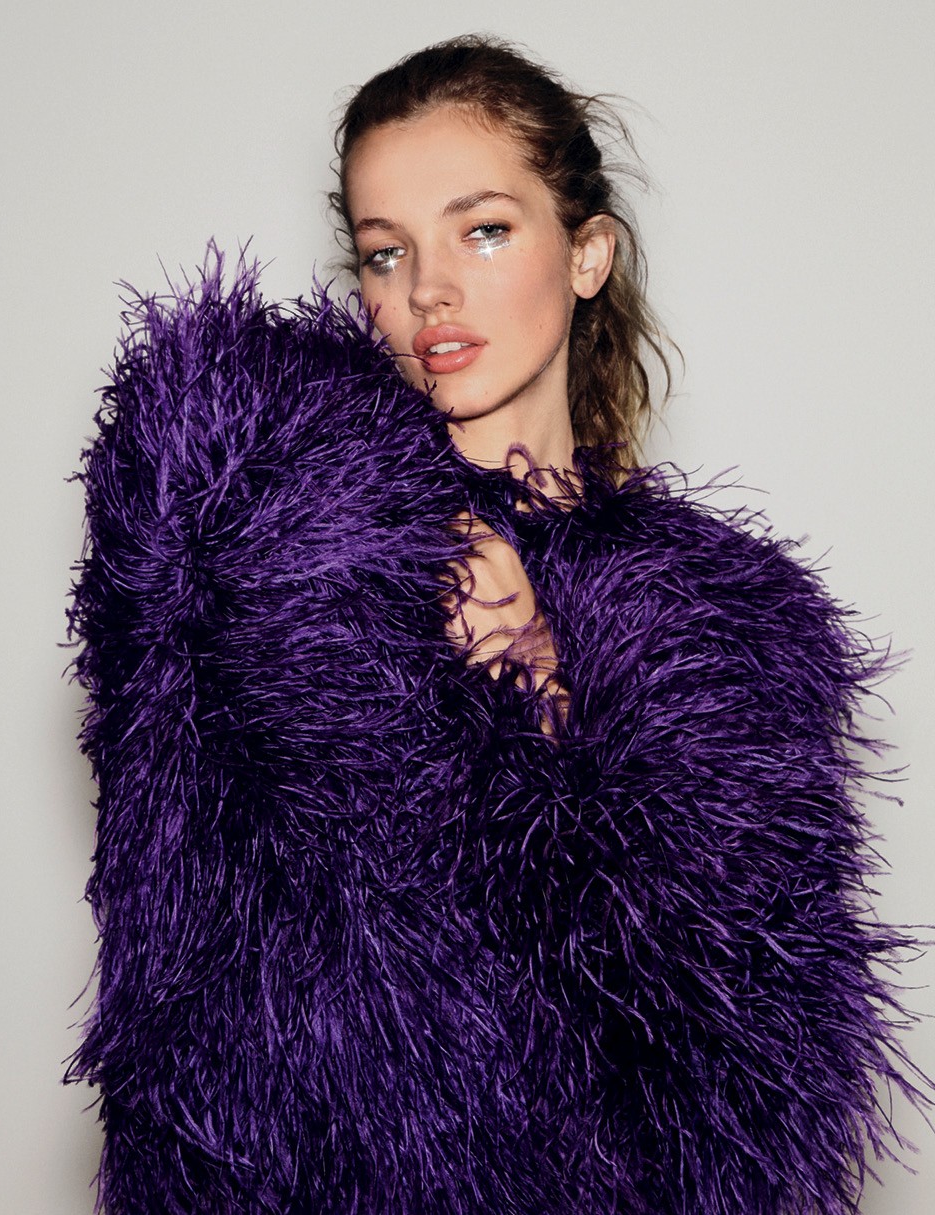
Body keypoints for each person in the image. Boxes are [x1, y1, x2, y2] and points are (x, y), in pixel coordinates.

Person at [64, 33, 931, 1215]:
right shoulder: (260, 534)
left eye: (482, 230)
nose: (429, 290)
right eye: (386, 251)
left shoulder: (732, 618)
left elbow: (755, 1071)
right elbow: (190, 924)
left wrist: (542, 695)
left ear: (587, 253)